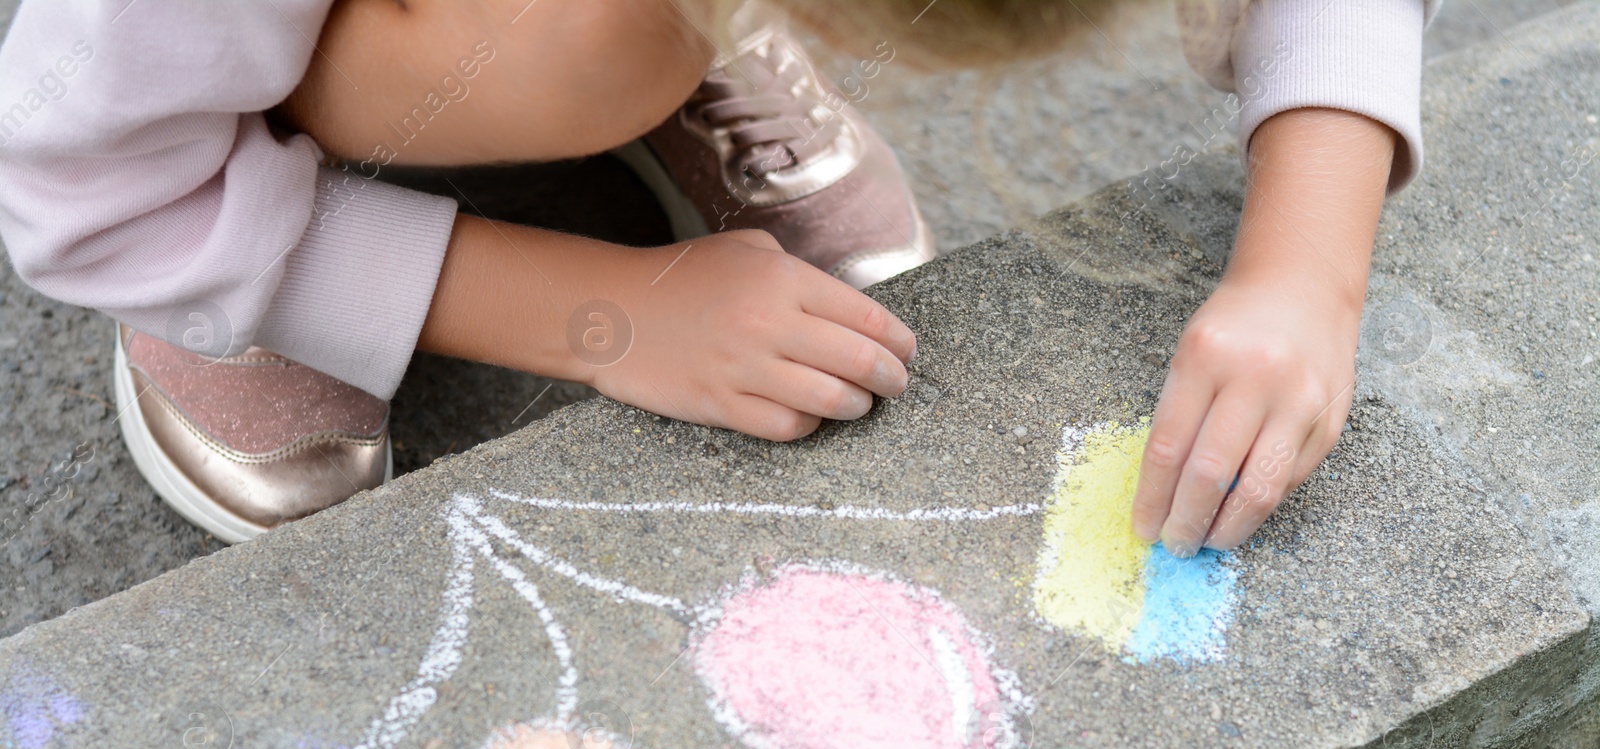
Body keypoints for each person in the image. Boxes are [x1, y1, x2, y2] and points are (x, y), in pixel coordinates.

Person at [0, 0, 1432, 551]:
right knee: (576, 48)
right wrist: (610, 315)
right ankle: (239, 196)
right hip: (130, 93)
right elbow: (67, 189)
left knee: (605, 46)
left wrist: (1310, 268)